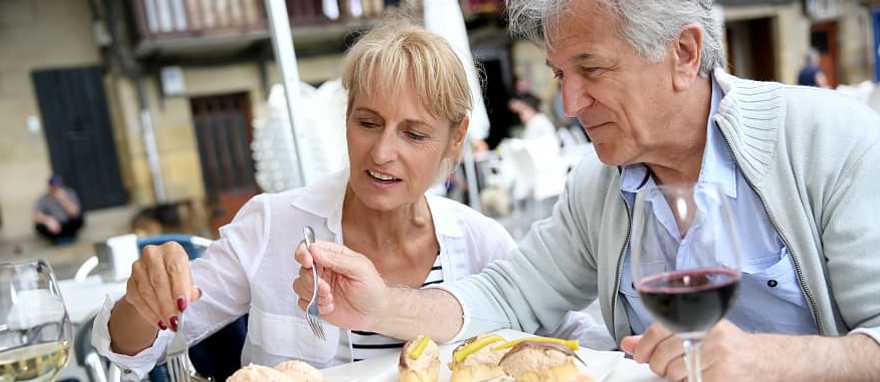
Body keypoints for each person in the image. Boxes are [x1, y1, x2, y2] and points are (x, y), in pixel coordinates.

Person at [292, 0, 880, 380]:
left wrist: (778, 362)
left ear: (684, 53)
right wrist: (381, 305)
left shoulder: (831, 141)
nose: (570, 105)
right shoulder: (599, 186)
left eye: (591, 70)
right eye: (559, 76)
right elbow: (510, 293)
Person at [92, 22, 596, 379]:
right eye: (368, 122)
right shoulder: (274, 224)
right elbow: (134, 350)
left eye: (414, 134)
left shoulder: (480, 240)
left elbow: (573, 339)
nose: (381, 152)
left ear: (455, 139)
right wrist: (143, 300)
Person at [33, 175, 83, 244]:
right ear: (50, 186)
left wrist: (64, 200)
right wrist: (48, 220)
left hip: (69, 224)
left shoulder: (69, 193)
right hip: (55, 226)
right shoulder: (44, 198)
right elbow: (36, 215)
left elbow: (75, 213)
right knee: (39, 226)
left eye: (58, 186)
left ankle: (70, 237)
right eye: (54, 186)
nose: (56, 188)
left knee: (79, 218)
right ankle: (56, 240)